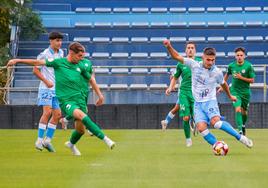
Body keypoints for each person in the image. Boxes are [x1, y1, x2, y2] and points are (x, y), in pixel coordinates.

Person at [7, 42, 115, 156]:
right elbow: (38, 62)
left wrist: (100, 95)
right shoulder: (58, 63)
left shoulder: (80, 66)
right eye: (79, 56)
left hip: (80, 100)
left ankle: (71, 144)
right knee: (82, 116)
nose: (81, 59)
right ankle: (106, 140)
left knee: (80, 130)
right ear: (72, 53)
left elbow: (91, 79)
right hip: (67, 101)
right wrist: (17, 60)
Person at [163, 39, 253, 150]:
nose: (210, 62)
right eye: (208, 60)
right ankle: (218, 146)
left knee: (216, 122)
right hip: (198, 104)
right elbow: (176, 56)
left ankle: (240, 137)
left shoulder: (217, 72)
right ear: (203, 57)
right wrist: (168, 46)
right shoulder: (194, 65)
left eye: (213, 60)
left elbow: (224, 84)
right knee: (201, 128)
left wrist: (230, 96)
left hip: (210, 101)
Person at [164, 42, 201, 147]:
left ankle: (195, 121)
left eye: (192, 48)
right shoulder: (181, 63)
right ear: (185, 51)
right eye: (188, 48)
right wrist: (170, 87)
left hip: (196, 93)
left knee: (197, 116)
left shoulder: (200, 62)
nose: (190, 50)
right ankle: (188, 139)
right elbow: (175, 77)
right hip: (184, 92)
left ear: (195, 50)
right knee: (185, 117)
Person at [34, 31, 64, 152]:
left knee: (57, 115)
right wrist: (46, 81)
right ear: (50, 41)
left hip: (57, 89)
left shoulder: (61, 53)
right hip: (46, 88)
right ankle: (39, 141)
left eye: (60, 40)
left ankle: (47, 141)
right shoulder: (44, 54)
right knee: (47, 112)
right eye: (57, 40)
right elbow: (35, 70)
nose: (59, 43)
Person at [219, 47, 255, 135]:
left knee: (244, 112)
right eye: (237, 55)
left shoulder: (248, 66)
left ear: (244, 56)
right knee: (238, 109)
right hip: (234, 91)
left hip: (245, 92)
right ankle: (239, 131)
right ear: (235, 56)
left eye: (241, 55)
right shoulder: (231, 66)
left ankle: (243, 125)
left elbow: (252, 80)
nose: (239, 57)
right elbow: (227, 76)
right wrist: (222, 86)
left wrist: (241, 77)